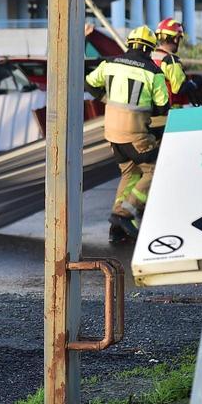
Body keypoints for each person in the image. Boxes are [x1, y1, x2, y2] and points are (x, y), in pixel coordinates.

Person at [85, 25, 170, 244]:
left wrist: (107, 99)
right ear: (149, 49)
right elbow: (162, 107)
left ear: (129, 44)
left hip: (112, 134)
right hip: (136, 134)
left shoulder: (110, 64)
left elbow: (89, 84)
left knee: (129, 173)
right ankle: (125, 213)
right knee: (155, 170)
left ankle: (116, 226)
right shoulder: (153, 72)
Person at [150, 17, 202, 110]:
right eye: (179, 38)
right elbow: (178, 88)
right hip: (172, 111)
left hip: (153, 108)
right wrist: (196, 82)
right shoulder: (170, 60)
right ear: (175, 39)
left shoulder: (151, 56)